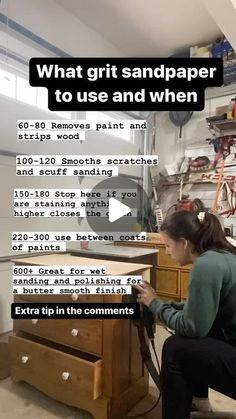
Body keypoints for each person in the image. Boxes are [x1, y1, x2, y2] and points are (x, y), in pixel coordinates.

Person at [134, 210, 236, 419]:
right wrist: (164, 304)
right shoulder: (224, 256)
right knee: (202, 335)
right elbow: (201, 310)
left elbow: (192, 326)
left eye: (168, 245)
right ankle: (200, 404)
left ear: (184, 243)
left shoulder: (205, 266)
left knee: (175, 347)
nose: (167, 251)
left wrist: (156, 306)